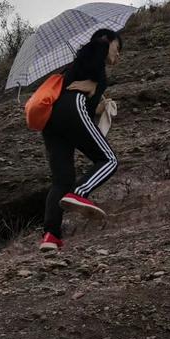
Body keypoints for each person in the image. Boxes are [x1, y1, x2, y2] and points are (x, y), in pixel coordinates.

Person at [39, 29, 121, 252]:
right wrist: (96, 81)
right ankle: (80, 193)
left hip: (52, 123)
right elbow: (80, 98)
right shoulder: (97, 52)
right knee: (109, 160)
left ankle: (51, 236)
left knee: (61, 180)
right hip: (72, 109)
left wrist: (99, 98)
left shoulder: (78, 65)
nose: (118, 54)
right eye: (118, 47)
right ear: (108, 41)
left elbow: (83, 97)